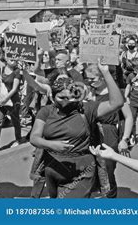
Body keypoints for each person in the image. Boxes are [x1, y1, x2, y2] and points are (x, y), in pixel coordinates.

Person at [30, 59, 124, 198]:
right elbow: (34, 137)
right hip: (53, 168)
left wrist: (105, 73)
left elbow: (116, 103)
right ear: (52, 96)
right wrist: (50, 144)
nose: (66, 101)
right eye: (61, 97)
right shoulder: (46, 112)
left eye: (70, 97)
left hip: (82, 170)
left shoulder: (87, 109)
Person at [85, 63, 133, 198]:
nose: (89, 81)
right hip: (91, 133)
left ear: (102, 78)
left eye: (92, 79)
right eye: (87, 78)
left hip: (108, 134)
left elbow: (129, 117)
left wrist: (125, 139)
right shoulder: (88, 92)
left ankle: (110, 197)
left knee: (107, 168)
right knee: (91, 168)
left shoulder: (115, 94)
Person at [0, 58, 24, 152]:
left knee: (15, 121)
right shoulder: (2, 69)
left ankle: (18, 139)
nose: (13, 59)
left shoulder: (17, 71)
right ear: (6, 58)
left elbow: (14, 89)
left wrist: (5, 99)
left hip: (12, 100)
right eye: (11, 57)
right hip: (1, 100)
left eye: (15, 58)